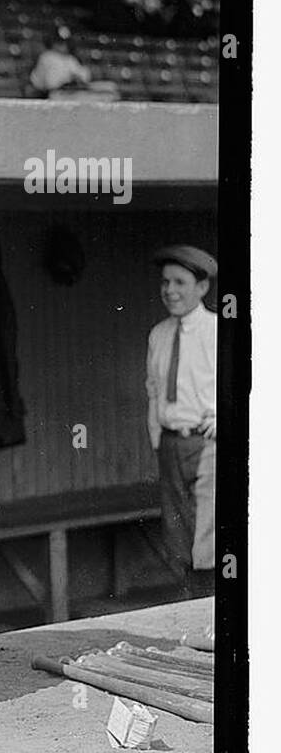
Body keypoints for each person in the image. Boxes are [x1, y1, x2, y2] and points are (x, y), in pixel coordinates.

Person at [145, 245, 217, 595]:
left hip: (207, 444)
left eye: (180, 282)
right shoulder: (159, 335)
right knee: (178, 532)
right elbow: (154, 390)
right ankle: (189, 603)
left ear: (202, 287)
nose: (170, 290)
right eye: (165, 282)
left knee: (209, 530)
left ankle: (214, 608)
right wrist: (158, 438)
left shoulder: (216, 330)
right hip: (171, 443)